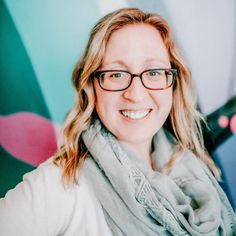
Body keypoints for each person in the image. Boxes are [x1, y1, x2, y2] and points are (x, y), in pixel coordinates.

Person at [0, 7, 235, 236]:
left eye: (153, 72)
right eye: (116, 74)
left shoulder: (195, 168)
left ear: (172, 83)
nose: (136, 94)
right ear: (92, 85)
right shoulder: (62, 185)